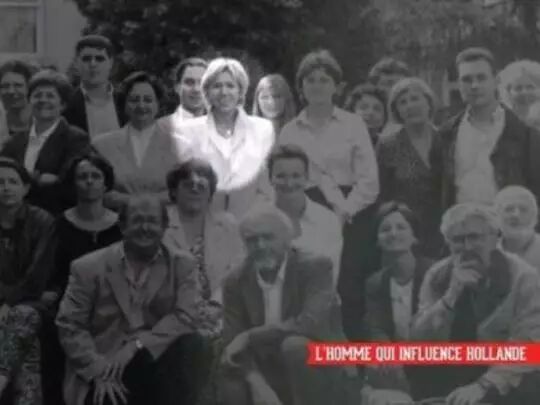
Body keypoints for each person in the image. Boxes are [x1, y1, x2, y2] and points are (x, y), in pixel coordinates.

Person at [56, 194, 207, 405]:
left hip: (156, 363)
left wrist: (136, 345)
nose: (145, 228)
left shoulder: (182, 264)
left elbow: (186, 316)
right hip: (103, 366)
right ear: (122, 226)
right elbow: (70, 325)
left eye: (152, 221)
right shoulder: (87, 267)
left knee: (192, 342)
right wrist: (100, 370)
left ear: (164, 226)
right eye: (137, 220)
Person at [279, 49, 378, 341]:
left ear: (337, 86)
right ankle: (308, 352)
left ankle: (353, 357)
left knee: (349, 284)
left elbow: (369, 180)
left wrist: (345, 210)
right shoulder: (290, 131)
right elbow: (283, 177)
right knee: (309, 282)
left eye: (324, 80)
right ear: (301, 87)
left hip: (352, 213)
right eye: (310, 80)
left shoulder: (353, 124)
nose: (318, 86)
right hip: (305, 211)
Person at [218, 204, 350, 405]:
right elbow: (232, 339)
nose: (260, 246)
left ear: (287, 240)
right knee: (229, 371)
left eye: (268, 237)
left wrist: (250, 336)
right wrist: (257, 384)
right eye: (252, 240)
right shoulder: (235, 280)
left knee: (294, 347)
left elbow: (309, 324)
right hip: (267, 365)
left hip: (321, 359)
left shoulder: (316, 267)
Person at [410, 203, 540, 404]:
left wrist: (484, 385)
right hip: (452, 373)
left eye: (475, 237)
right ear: (448, 243)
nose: (467, 247)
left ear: (495, 239)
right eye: (458, 240)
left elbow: (530, 344)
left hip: (506, 378)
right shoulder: (436, 275)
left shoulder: (524, 277)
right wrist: (451, 295)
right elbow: (420, 340)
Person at [439, 47, 540, 211]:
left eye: (481, 78)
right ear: (459, 84)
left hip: (509, 222)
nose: (474, 85)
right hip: (461, 223)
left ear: (496, 80)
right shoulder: (447, 133)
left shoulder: (526, 134)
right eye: (467, 79)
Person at [174, 57, 275, 217]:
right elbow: (181, 186)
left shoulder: (262, 129)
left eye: (230, 86)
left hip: (251, 223)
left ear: (240, 91)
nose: (224, 92)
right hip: (202, 221)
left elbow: (268, 187)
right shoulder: (188, 131)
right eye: (217, 86)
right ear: (207, 91)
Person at [163, 158, 245, 331]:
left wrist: (216, 306)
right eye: (188, 185)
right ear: (174, 191)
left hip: (223, 313)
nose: (195, 189)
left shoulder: (228, 225)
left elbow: (238, 272)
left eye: (201, 186)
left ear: (210, 194)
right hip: (174, 317)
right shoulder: (161, 226)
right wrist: (192, 313)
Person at [0, 158, 56, 405]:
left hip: (37, 302)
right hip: (13, 308)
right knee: (26, 343)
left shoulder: (42, 220)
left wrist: (7, 303)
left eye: (13, 182)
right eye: (0, 182)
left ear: (25, 188)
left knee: (23, 315)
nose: (6, 187)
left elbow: (37, 275)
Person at [363, 202, 433, 398]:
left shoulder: (434, 273)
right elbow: (377, 328)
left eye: (401, 227)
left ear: (414, 237)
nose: (393, 234)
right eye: (385, 229)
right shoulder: (375, 283)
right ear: (377, 240)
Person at [92, 71, 187, 210]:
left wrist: (135, 201)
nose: (141, 106)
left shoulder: (181, 146)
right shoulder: (102, 146)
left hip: (166, 221)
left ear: (158, 104)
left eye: (148, 100)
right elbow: (97, 191)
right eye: (134, 100)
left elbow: (184, 192)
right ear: (124, 104)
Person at [0, 70, 90, 214]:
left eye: (50, 96)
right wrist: (39, 178)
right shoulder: (13, 142)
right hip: (14, 217)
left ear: (63, 104)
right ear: (29, 101)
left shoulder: (75, 138)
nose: (43, 100)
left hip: (56, 215)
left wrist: (26, 179)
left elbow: (68, 182)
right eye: (37, 95)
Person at [377, 77, 444, 258]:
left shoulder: (446, 138)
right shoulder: (388, 145)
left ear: (428, 102)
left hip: (445, 231)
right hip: (406, 234)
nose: (410, 106)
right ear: (397, 110)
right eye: (403, 102)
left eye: (415, 98)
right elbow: (382, 196)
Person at [268, 144, 343, 284]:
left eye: (296, 176)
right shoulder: (257, 219)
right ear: (270, 179)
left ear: (307, 178)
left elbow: (330, 277)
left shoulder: (328, 221)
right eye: (281, 176)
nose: (289, 183)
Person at [63, 35, 125, 136]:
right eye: (86, 59)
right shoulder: (66, 105)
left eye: (99, 59)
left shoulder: (126, 101)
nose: (93, 64)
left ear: (111, 63)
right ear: (76, 63)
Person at [495, 185, 540, 272]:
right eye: (509, 209)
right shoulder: (488, 253)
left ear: (535, 218)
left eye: (523, 210)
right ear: (496, 217)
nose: (516, 215)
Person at [157, 57, 208, 134]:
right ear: (177, 87)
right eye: (189, 82)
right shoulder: (160, 128)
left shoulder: (222, 130)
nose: (196, 89)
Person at [367, 57, 412, 138]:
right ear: (375, 87)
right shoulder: (365, 119)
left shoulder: (415, 121)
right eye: (389, 84)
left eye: (401, 85)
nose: (396, 90)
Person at [0, 60, 35, 139]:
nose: (11, 91)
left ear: (29, 87)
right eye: (5, 86)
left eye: (18, 85)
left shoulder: (44, 119)